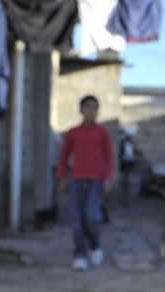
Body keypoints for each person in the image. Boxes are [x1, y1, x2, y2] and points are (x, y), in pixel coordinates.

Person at [56, 95, 114, 271]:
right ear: (81, 110)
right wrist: (61, 178)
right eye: (88, 107)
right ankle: (79, 255)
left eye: (94, 108)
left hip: (95, 181)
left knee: (93, 217)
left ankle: (95, 245)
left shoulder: (102, 133)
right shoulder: (73, 133)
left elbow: (109, 157)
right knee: (76, 221)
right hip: (75, 181)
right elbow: (64, 157)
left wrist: (108, 178)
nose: (91, 111)